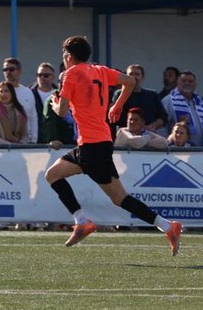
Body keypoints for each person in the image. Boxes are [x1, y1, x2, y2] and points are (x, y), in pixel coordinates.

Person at [44, 35, 181, 254]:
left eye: (64, 55)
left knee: (119, 198)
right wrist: (117, 105)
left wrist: (55, 104)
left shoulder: (69, 74)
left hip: (92, 146)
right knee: (53, 174)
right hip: (95, 143)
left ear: (68, 56)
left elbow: (61, 112)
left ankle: (167, 226)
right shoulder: (99, 70)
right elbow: (130, 81)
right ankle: (81, 221)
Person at [0, 57, 38, 144]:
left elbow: (33, 117)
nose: (8, 72)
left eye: (11, 69)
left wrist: (33, 140)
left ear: (19, 71)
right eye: (5, 70)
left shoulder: (28, 92)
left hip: (23, 143)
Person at [115, 64, 169, 136]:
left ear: (142, 77)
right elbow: (113, 117)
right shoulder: (119, 94)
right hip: (125, 136)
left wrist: (152, 126)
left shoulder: (152, 95)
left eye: (137, 74)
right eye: (130, 74)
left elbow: (163, 117)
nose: (134, 77)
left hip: (147, 137)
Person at [161, 70, 203, 145]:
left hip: (199, 151)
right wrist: (165, 145)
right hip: (178, 149)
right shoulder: (168, 100)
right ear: (177, 83)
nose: (187, 83)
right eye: (183, 81)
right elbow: (162, 126)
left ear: (195, 85)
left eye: (190, 81)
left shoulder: (200, 102)